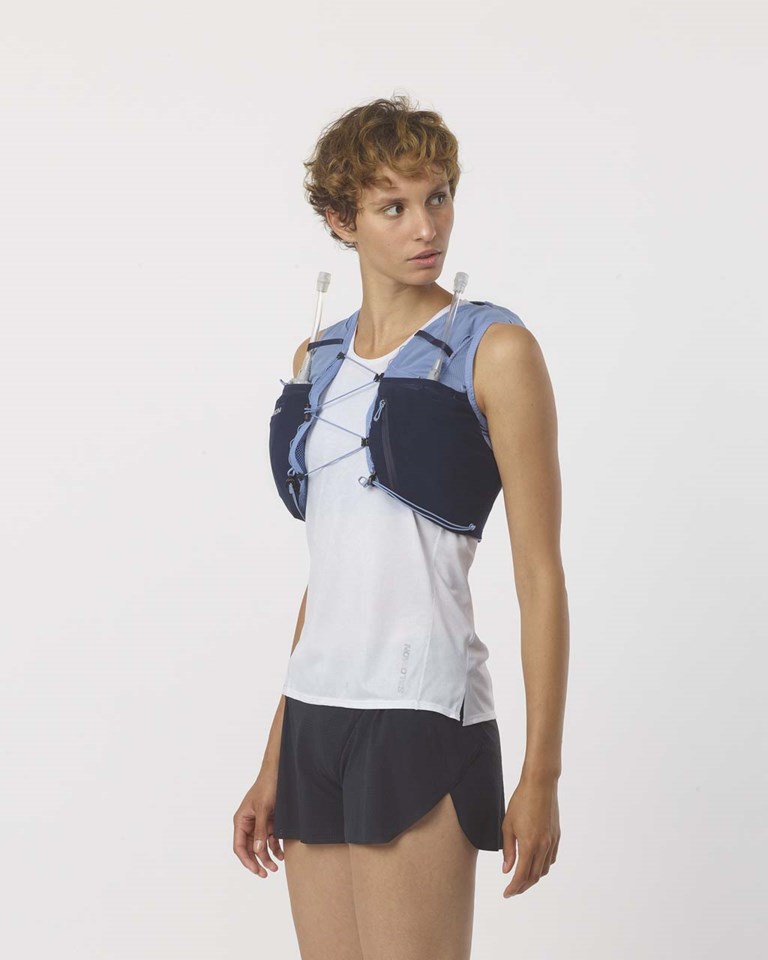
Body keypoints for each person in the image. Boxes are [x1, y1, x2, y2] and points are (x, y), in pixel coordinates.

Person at [233, 94, 569, 960]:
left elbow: (540, 574)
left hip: (422, 712)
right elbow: (333, 575)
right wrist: (274, 758)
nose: (428, 228)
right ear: (340, 220)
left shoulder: (494, 351)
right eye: (394, 207)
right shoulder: (318, 362)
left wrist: (541, 773)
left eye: (438, 197)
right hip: (316, 719)